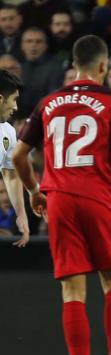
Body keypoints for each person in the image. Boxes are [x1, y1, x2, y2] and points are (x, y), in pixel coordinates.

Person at [12, 35, 111, 355]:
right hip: (97, 197)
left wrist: (34, 191)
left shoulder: (48, 102)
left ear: (74, 65)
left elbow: (18, 156)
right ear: (102, 65)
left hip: (60, 201)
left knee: (72, 291)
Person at [0, 69, 28, 246]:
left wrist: (21, 214)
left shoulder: (8, 132)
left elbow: (10, 175)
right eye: (14, 100)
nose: (16, 107)